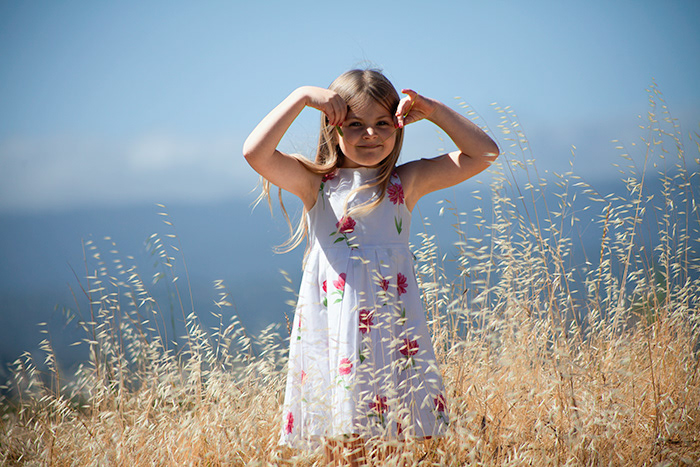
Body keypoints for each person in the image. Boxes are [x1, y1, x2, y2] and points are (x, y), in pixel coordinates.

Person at [243, 69, 499, 465]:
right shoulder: (316, 184)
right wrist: (301, 97)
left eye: (383, 123)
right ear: (334, 127)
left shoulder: (404, 182)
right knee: (344, 445)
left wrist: (432, 110)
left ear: (399, 127)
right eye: (356, 124)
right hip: (337, 332)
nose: (370, 134)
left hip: (394, 329)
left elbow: (484, 153)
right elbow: (255, 153)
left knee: (401, 445)